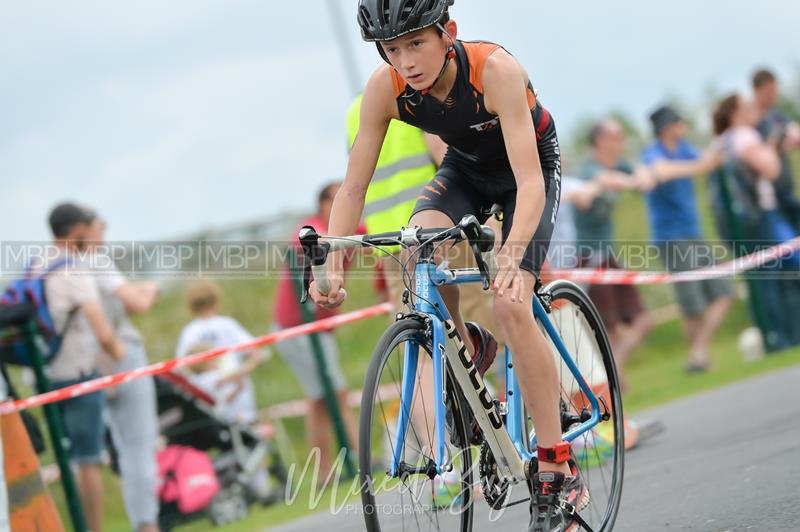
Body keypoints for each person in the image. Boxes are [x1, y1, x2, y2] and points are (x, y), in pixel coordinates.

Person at [313, 2, 585, 529]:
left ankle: (556, 465)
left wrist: (511, 254)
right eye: (393, 50)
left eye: (417, 43)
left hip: (527, 172)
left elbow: (529, 183)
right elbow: (353, 187)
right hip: (465, 170)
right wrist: (335, 261)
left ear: (448, 33)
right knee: (419, 246)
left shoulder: (495, 70)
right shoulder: (385, 88)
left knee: (511, 303)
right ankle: (466, 348)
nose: (406, 61)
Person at [40, 202, 126, 532]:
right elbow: (103, 333)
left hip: (45, 378)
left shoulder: (37, 264)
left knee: (66, 461)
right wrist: (122, 357)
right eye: (93, 226)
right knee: (89, 462)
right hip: (77, 378)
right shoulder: (74, 269)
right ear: (78, 230)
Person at [272, 182, 361, 483]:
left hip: (318, 328)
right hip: (298, 328)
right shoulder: (311, 228)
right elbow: (304, 241)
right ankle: (355, 462)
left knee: (321, 401)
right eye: (336, 200)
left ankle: (326, 473)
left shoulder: (350, 226)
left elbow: (366, 231)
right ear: (323, 203)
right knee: (334, 395)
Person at [82, 208, 161, 532]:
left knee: (91, 457)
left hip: (83, 367)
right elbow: (136, 302)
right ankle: (146, 525)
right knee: (138, 447)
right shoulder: (95, 261)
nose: (104, 232)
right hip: (118, 357)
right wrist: (151, 288)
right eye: (100, 226)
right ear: (84, 229)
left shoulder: (58, 265)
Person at [639, 105, 733, 372]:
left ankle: (697, 353)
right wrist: (699, 166)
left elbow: (707, 160)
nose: (685, 125)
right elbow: (661, 171)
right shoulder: (654, 154)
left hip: (693, 233)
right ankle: (698, 360)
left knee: (724, 292)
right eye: (680, 121)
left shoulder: (684, 149)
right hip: (672, 238)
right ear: (669, 126)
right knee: (692, 304)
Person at [712, 93, 800, 348]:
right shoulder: (744, 136)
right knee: (776, 275)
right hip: (760, 216)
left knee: (764, 278)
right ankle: (780, 337)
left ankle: (778, 335)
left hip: (740, 222)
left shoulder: (721, 141)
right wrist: (771, 144)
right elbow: (770, 168)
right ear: (737, 114)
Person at [175, 280, 274, 500]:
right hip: (240, 398)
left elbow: (183, 371)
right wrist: (238, 375)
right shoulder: (227, 325)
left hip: (211, 404)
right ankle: (262, 489)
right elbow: (254, 354)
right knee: (253, 439)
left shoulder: (189, 333)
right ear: (216, 299)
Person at [574, 119, 654, 390]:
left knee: (641, 320)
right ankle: (612, 381)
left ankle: (614, 372)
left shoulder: (620, 165)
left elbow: (641, 176)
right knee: (607, 327)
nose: (621, 142)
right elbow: (601, 181)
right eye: (616, 137)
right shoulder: (588, 169)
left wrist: (640, 176)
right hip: (589, 258)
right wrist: (628, 181)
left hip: (607, 255)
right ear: (601, 141)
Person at [752, 68, 800, 231]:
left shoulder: (776, 115)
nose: (773, 96)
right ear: (757, 91)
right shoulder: (751, 121)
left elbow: (793, 132)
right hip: (767, 198)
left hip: (786, 189)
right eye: (769, 91)